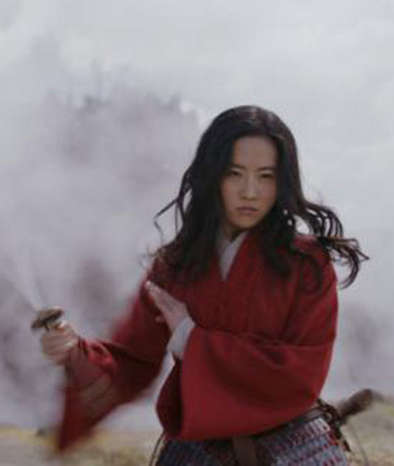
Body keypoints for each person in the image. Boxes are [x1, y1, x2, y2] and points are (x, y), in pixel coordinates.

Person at [40, 105, 367, 465]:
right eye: (234, 173)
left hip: (295, 447)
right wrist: (77, 354)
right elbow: (132, 360)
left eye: (266, 176)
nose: (250, 192)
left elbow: (302, 372)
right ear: (213, 175)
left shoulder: (307, 264)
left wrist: (190, 339)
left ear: (282, 182)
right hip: (198, 451)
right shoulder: (175, 266)